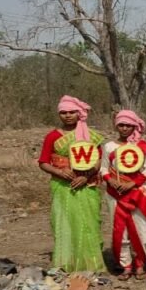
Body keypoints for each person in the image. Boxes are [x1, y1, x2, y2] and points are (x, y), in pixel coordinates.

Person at [37, 95, 106, 273]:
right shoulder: (52, 136)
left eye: (72, 112)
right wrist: (60, 172)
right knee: (64, 223)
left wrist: (86, 176)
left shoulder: (90, 136)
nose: (68, 116)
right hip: (62, 186)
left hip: (87, 185)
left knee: (88, 223)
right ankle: (66, 263)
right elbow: (43, 162)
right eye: (64, 112)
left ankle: (90, 263)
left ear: (79, 113)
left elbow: (98, 160)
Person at [100, 110, 146, 280]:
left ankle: (140, 263)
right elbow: (104, 168)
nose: (125, 128)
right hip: (115, 193)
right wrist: (110, 180)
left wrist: (132, 183)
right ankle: (125, 265)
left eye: (128, 125)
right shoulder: (109, 147)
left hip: (137, 192)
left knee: (143, 229)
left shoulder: (142, 146)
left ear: (134, 126)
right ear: (116, 126)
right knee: (121, 230)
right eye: (121, 125)